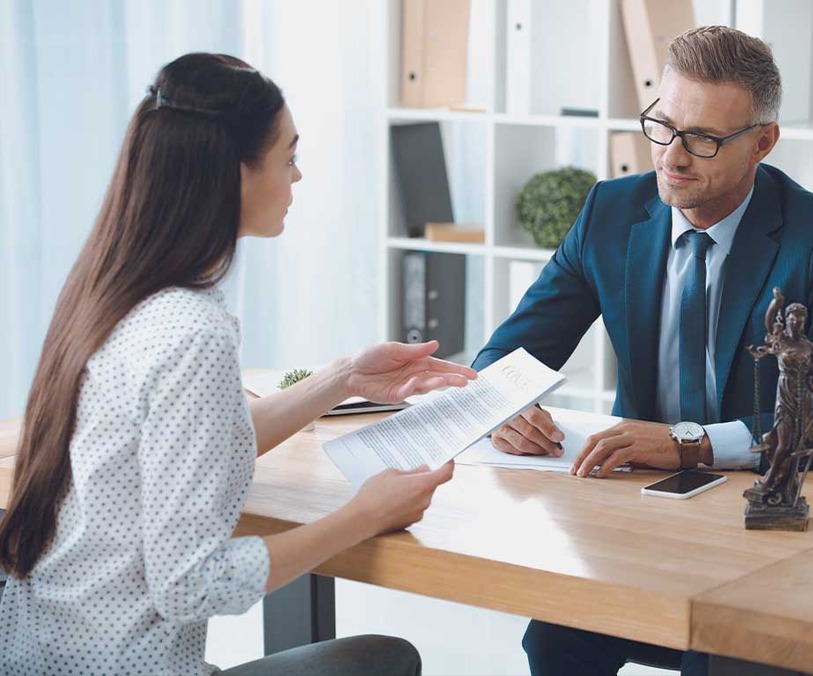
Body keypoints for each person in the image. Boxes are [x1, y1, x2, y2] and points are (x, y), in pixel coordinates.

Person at [0, 53, 476, 676]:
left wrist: (341, 380)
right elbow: (193, 584)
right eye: (288, 157)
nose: (298, 177)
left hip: (36, 653)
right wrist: (365, 514)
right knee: (385, 660)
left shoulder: (111, 291)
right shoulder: (192, 333)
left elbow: (186, 456)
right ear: (234, 175)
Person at [472, 26, 813, 676]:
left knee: (723, 658)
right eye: (660, 125)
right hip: (637, 512)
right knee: (555, 639)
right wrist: (503, 404)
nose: (671, 156)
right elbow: (507, 357)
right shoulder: (609, 212)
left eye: (702, 138)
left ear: (762, 141)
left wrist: (687, 442)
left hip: (765, 515)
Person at [745, 287, 813, 506]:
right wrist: (776, 303)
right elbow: (768, 322)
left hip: (803, 398)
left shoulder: (807, 346)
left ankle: (786, 488)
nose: (796, 323)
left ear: (804, 323)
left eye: (800, 321)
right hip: (785, 397)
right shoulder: (781, 341)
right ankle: (770, 481)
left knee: (797, 447)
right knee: (784, 445)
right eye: (792, 320)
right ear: (787, 321)